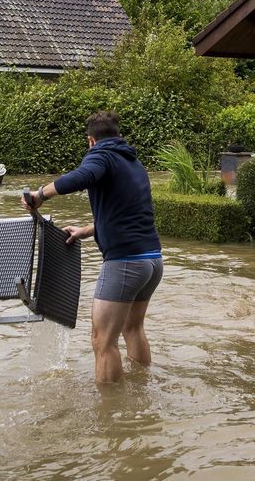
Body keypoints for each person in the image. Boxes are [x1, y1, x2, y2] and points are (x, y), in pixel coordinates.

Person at [22, 110, 162, 384]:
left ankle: (109, 415)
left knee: (102, 341)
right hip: (152, 261)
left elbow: (81, 177)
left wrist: (40, 195)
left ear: (91, 141)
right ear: (119, 135)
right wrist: (87, 230)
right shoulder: (132, 162)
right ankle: (141, 392)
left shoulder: (101, 155)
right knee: (133, 328)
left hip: (125, 262)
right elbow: (128, 212)